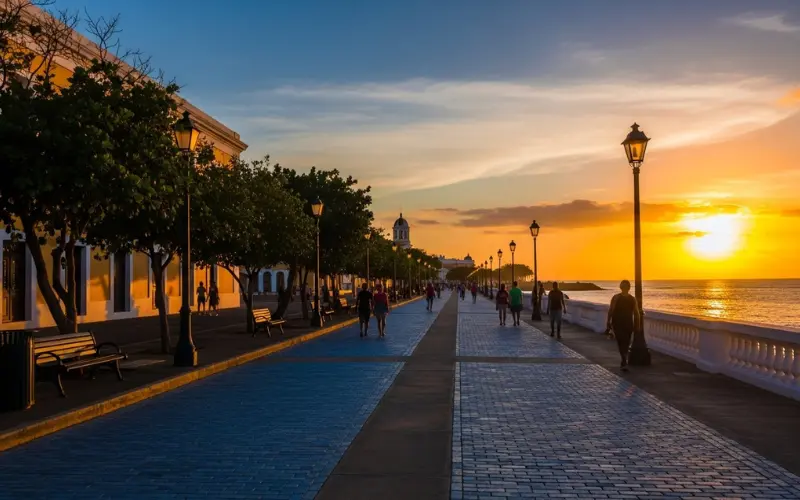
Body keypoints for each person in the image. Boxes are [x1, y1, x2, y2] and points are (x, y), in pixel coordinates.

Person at [606, 280, 641, 372]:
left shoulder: (632, 299)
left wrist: (637, 325)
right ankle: (624, 360)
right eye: (622, 285)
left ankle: (624, 359)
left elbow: (636, 313)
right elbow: (611, 310)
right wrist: (608, 321)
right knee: (621, 342)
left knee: (626, 342)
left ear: (628, 287)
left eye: (625, 286)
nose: (623, 287)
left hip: (628, 323)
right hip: (617, 323)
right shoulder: (616, 297)